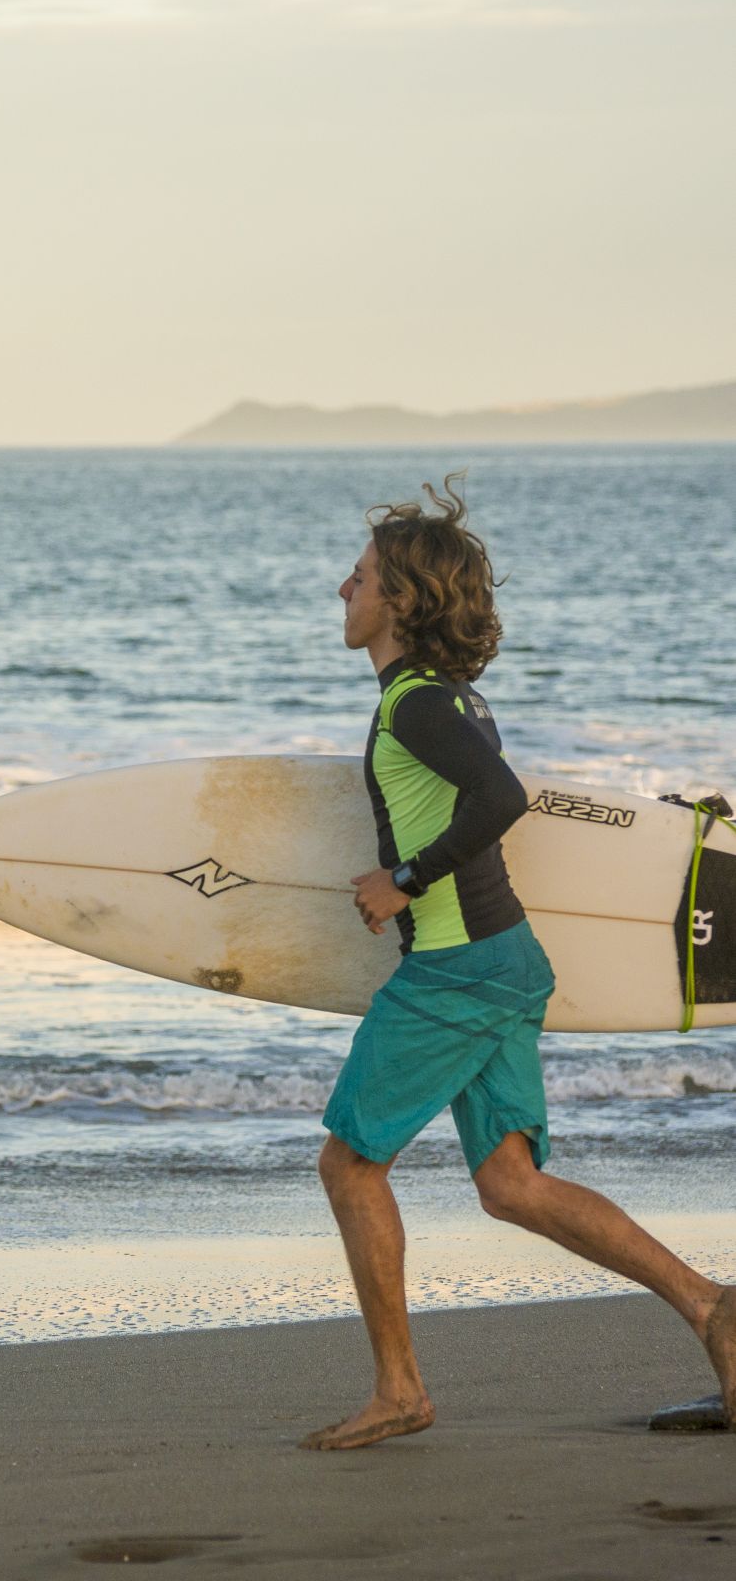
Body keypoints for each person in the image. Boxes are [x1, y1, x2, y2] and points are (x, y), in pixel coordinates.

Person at [302, 470, 735, 1451]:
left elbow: (500, 800)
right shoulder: (452, 699)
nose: (343, 589)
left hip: (457, 969)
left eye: (360, 574)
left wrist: (402, 880)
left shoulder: (415, 705)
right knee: (511, 1185)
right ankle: (713, 1309)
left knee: (348, 1164)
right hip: (501, 961)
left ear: (399, 599)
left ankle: (401, 1389)